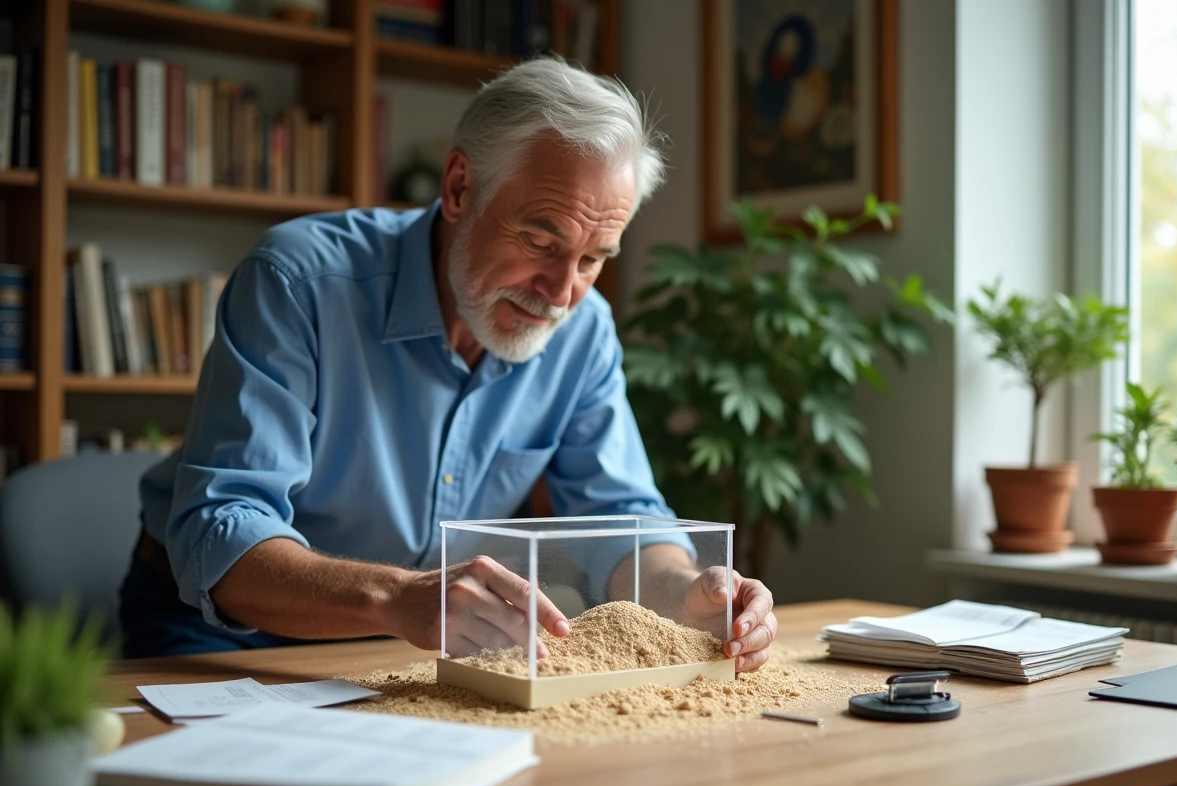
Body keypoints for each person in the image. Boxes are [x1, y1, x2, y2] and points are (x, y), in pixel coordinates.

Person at [120, 57, 776, 671]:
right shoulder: (299, 283)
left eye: (594, 258)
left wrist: (690, 592)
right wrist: (401, 598)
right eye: (542, 241)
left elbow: (624, 519)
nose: (561, 292)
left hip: (410, 636)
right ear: (461, 187)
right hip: (218, 633)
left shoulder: (585, 332)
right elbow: (223, 532)